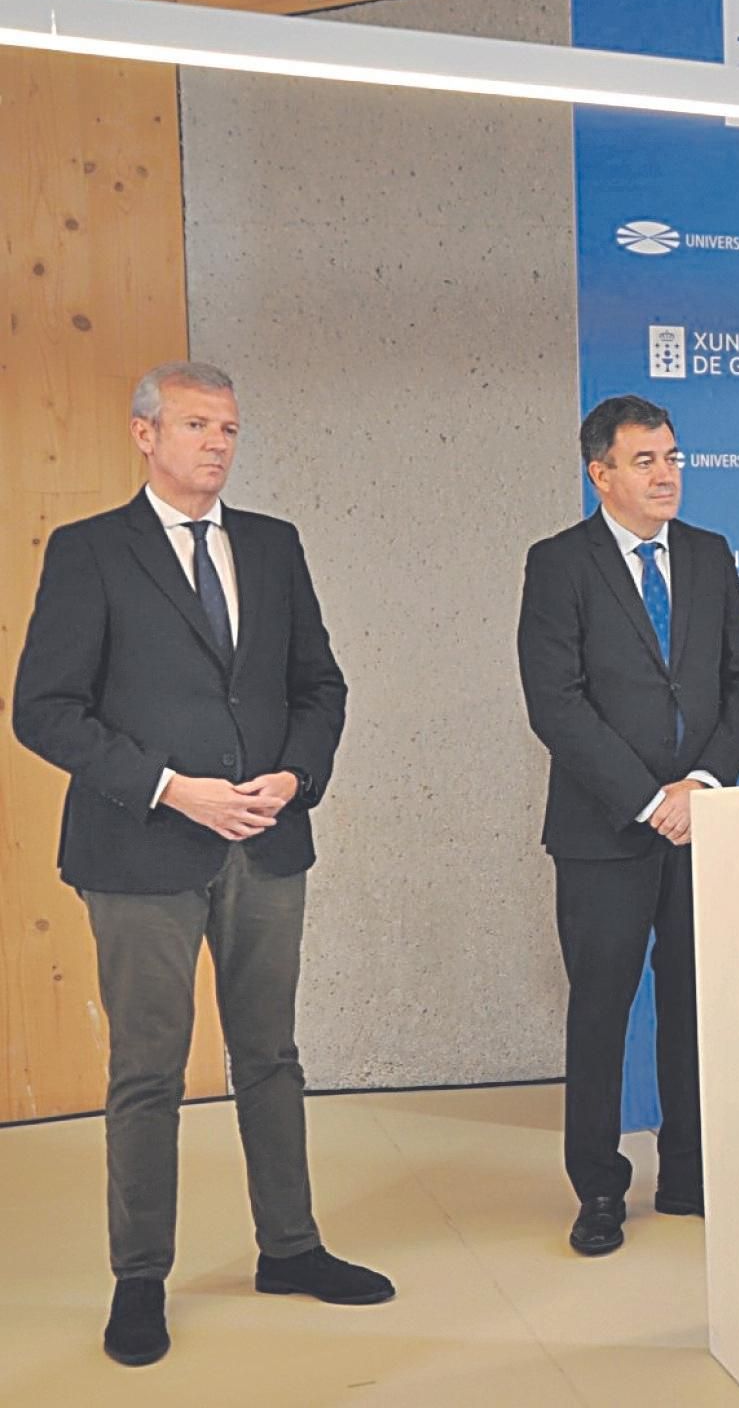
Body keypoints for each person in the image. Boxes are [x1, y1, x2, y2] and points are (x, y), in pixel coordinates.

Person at [11, 361, 392, 1367]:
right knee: (147, 1070)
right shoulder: (90, 552)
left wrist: (295, 777)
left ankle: (292, 1248)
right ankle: (140, 1280)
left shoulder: (273, 546)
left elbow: (321, 685)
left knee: (270, 1056)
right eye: (194, 425)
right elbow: (43, 710)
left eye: (228, 427)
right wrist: (171, 787)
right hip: (141, 849)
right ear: (144, 434)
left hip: (266, 845)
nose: (217, 443)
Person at [517, 394, 739, 1256]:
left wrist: (699, 784)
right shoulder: (558, 564)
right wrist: (647, 798)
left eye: (673, 457)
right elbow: (555, 701)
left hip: (705, 824)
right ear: (601, 474)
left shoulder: (708, 555)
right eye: (645, 461)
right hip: (604, 832)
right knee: (600, 1011)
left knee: (694, 1003)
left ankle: (690, 1169)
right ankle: (597, 1186)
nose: (667, 475)